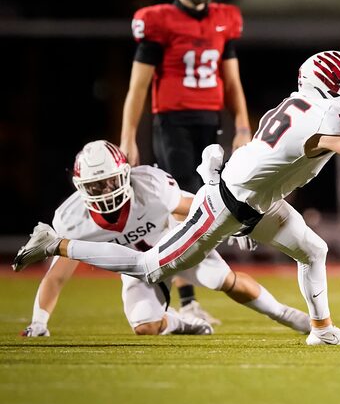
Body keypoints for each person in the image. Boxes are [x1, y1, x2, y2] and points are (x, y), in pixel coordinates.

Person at [13, 52, 340, 346]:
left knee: (313, 249)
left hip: (253, 201)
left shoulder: (295, 106)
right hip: (226, 205)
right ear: (328, 89)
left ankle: (322, 331)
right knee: (150, 267)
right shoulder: (316, 120)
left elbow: (260, 158)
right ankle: (58, 243)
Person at [21, 141, 310, 337]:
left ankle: (284, 314)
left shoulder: (150, 187)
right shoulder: (73, 219)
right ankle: (181, 322)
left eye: (110, 181)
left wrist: (237, 223)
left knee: (221, 280)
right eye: (95, 185)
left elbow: (194, 208)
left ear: (125, 174)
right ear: (80, 187)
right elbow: (56, 277)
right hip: (139, 270)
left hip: (177, 241)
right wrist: (39, 321)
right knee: (144, 326)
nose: (105, 190)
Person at [119, 0, 252, 323]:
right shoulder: (158, 20)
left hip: (209, 122)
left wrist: (242, 124)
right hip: (172, 123)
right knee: (184, 208)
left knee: (211, 203)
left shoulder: (225, 18)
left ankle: (189, 289)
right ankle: (188, 299)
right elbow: (137, 88)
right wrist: (128, 137)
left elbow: (232, 80)